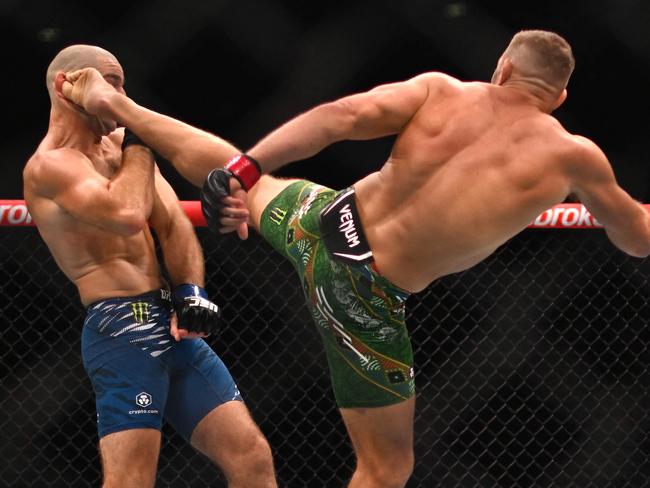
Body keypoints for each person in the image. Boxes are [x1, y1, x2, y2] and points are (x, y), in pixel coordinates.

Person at [57, 30, 650, 488]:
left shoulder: (441, 89)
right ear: (561, 96)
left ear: (504, 68)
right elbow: (635, 237)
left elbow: (339, 117)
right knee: (386, 466)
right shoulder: (575, 156)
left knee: (245, 172)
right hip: (362, 295)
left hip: (328, 219)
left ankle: (132, 114)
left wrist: (246, 171)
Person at [23, 45, 276, 488]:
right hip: (120, 329)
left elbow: (174, 225)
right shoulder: (50, 165)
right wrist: (140, 136)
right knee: (131, 480)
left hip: (171, 322)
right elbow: (127, 214)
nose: (119, 94)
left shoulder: (123, 147)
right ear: (68, 86)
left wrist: (191, 291)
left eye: (122, 83)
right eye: (109, 81)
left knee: (252, 457)